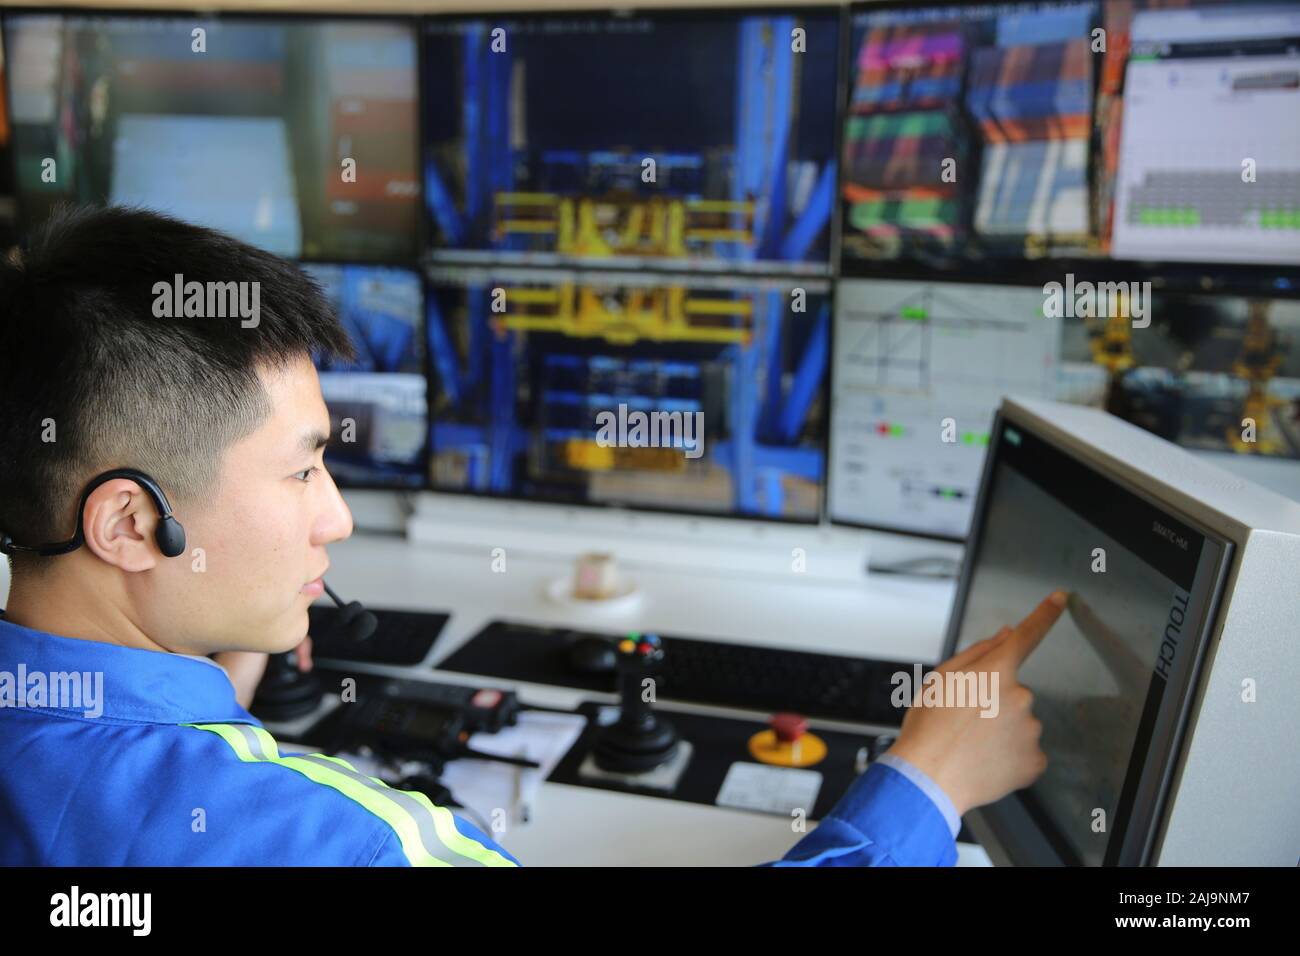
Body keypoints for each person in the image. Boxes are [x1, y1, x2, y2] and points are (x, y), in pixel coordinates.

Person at [0, 205, 1064, 866]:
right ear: (134, 523)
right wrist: (927, 784)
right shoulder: (355, 843)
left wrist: (219, 639)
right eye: (302, 467)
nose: (338, 515)